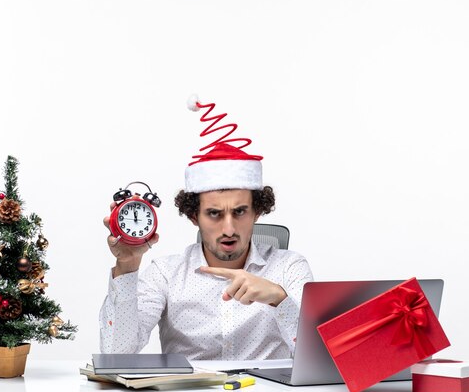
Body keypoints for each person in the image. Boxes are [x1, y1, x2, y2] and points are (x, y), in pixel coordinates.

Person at [99, 96, 314, 360]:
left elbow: (317, 360)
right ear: (193, 216)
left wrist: (280, 299)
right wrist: (127, 266)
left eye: (240, 212)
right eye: (214, 214)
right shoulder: (166, 275)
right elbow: (115, 355)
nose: (229, 228)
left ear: (257, 211)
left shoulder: (289, 268)